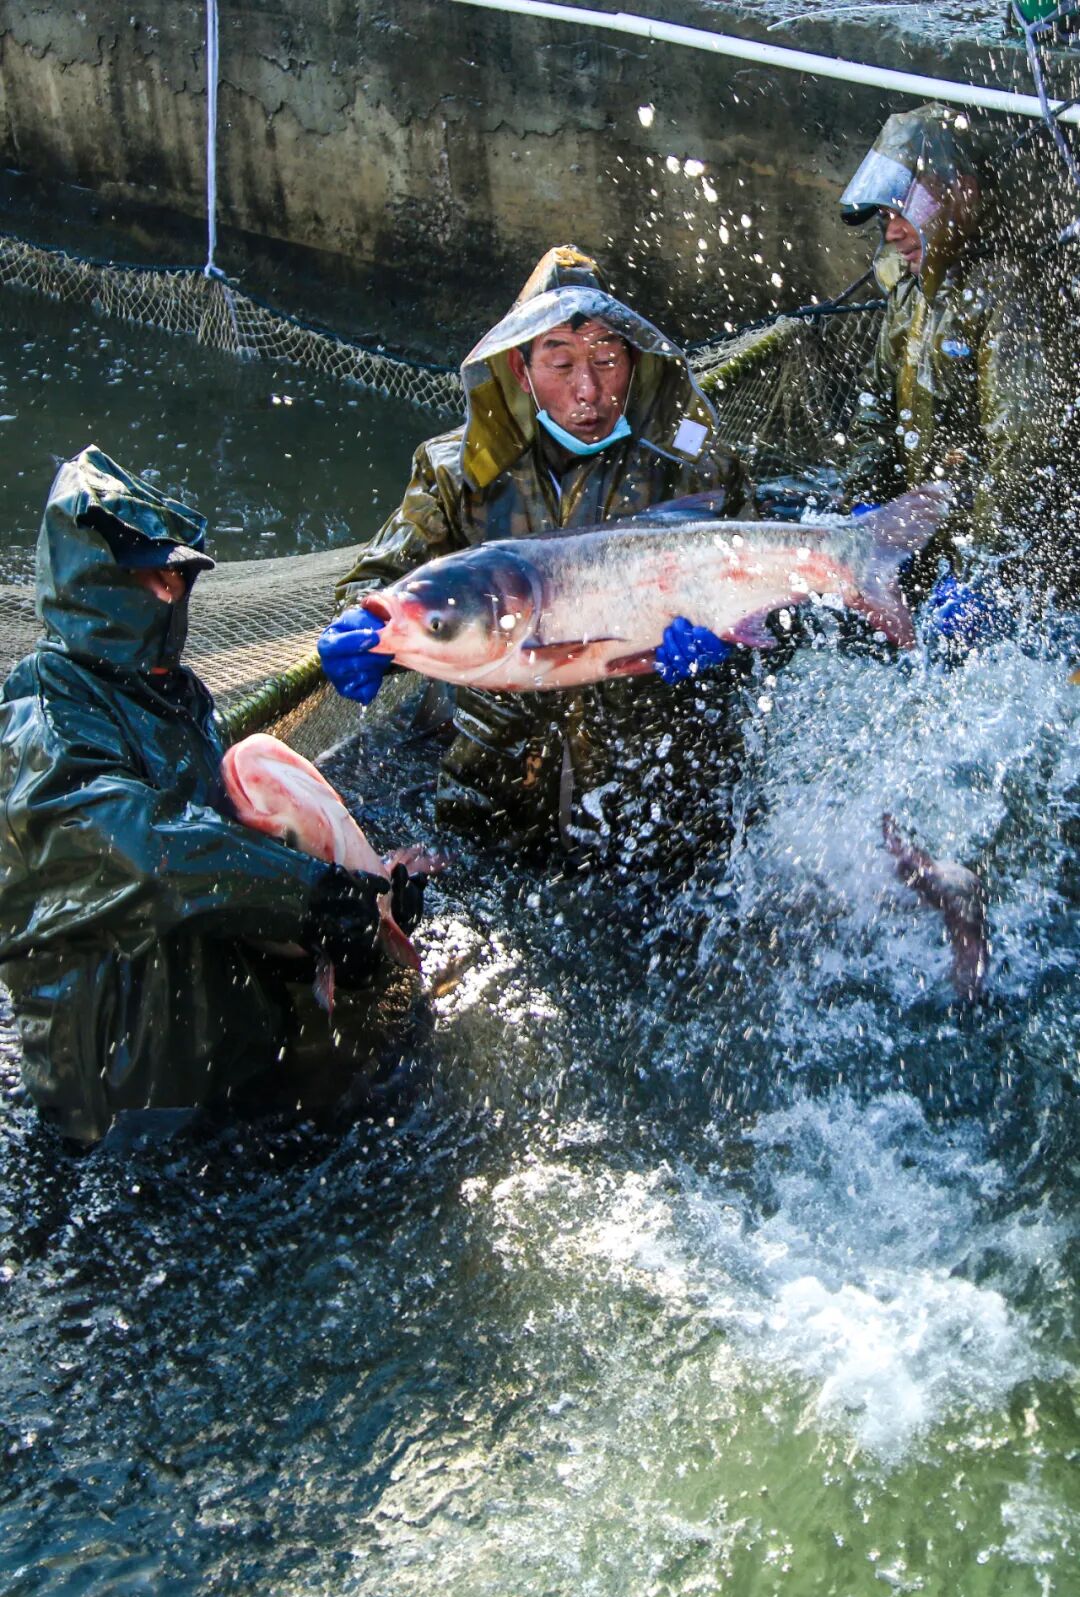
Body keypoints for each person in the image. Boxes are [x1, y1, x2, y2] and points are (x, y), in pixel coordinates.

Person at [0, 447, 424, 1144]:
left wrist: (364, 889)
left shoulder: (177, 693)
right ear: (94, 584)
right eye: (151, 577)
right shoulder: (42, 710)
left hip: (223, 1054)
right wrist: (315, 894)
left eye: (179, 576)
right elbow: (143, 853)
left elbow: (231, 836)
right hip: (124, 1092)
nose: (174, 592)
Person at [319, 245, 753, 864]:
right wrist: (360, 629)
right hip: (494, 788)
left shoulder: (695, 466)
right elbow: (380, 578)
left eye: (607, 359)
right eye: (561, 364)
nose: (588, 390)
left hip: (660, 786)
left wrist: (725, 652)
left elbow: (782, 615)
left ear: (634, 360)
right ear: (522, 372)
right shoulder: (452, 470)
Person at [838, 102, 1048, 650]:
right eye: (886, 217)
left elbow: (1022, 447)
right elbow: (873, 411)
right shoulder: (908, 295)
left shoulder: (1006, 295)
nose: (894, 232)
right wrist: (863, 509)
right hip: (928, 543)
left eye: (903, 211)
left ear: (962, 196)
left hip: (1000, 564)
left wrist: (982, 566)